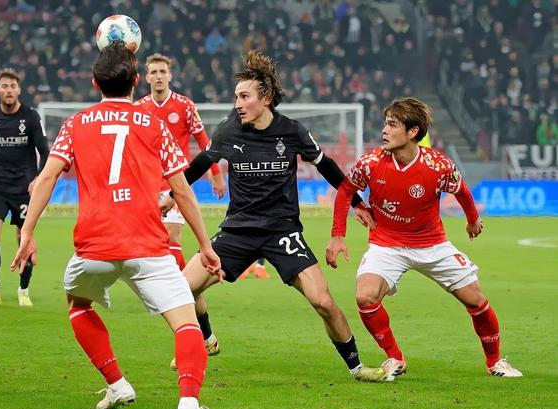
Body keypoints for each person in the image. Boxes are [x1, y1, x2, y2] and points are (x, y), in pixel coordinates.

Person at [11, 42, 221, 409]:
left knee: (78, 305)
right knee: (186, 322)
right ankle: (189, 402)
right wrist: (205, 246)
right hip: (148, 246)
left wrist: (27, 231)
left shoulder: (75, 124)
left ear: (95, 83)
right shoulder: (155, 124)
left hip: (94, 248)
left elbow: (47, 178)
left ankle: (117, 383)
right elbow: (182, 191)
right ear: (137, 81)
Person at [164, 50, 386, 382]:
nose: (238, 104)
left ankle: (356, 367)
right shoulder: (227, 131)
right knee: (180, 290)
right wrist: (170, 196)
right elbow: (198, 166)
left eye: (244, 97)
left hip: (282, 232)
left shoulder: (292, 131)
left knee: (323, 302)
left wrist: (356, 203)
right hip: (238, 231)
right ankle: (206, 339)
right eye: (236, 97)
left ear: (265, 98)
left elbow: (326, 166)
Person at [326, 97, 523, 381]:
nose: (384, 130)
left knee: (476, 299)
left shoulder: (437, 165)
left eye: (392, 125)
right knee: (364, 296)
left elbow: (461, 191)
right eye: (385, 124)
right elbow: (345, 190)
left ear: (412, 132)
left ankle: (495, 362)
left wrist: (472, 220)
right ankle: (394, 357)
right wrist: (337, 235)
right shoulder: (371, 163)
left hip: (432, 244)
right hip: (387, 244)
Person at [136, 53, 226, 272]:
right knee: (153, 242)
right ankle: (182, 285)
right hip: (146, 184)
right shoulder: (138, 109)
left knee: (172, 235)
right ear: (147, 77)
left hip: (176, 183)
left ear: (170, 76)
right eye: (154, 72)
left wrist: (216, 174)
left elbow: (205, 142)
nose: (158, 76)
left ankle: (183, 286)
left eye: (162, 71)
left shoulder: (185, 105)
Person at [0, 68, 49, 308]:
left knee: (23, 238)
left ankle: (24, 291)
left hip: (24, 188)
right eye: (4, 86)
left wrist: (37, 179)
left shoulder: (30, 117)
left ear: (19, 90)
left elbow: (44, 151)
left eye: (13, 86)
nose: (9, 90)